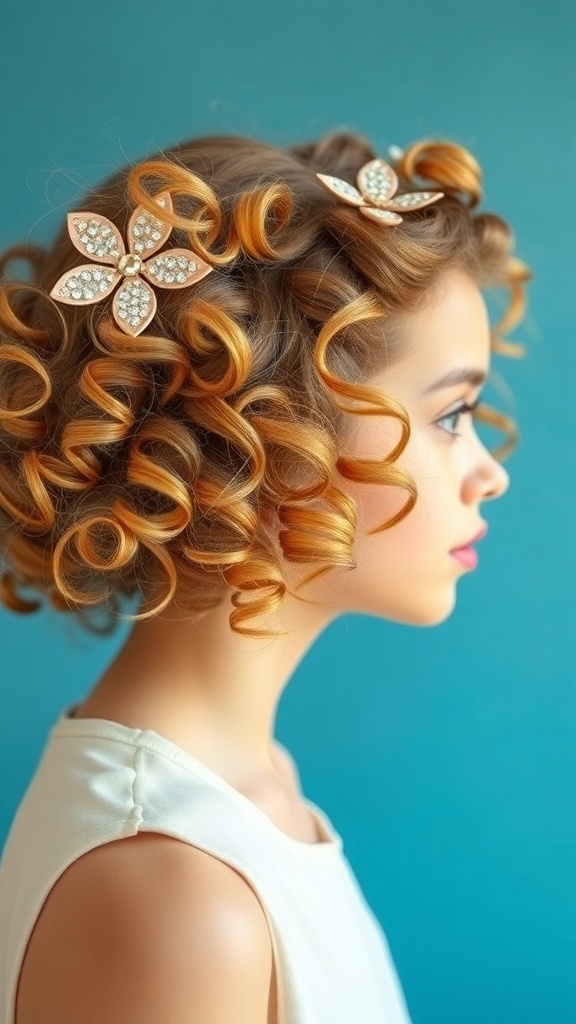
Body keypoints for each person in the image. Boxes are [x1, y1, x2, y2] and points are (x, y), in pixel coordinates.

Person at [0, 128, 531, 1024]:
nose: (491, 474)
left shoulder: (245, 792)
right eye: (451, 416)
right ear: (276, 435)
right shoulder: (176, 897)